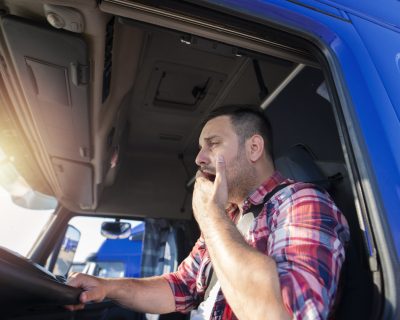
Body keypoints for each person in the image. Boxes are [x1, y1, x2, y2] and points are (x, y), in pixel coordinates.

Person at [67, 105, 350, 319]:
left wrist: (210, 215)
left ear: (253, 148)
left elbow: (286, 314)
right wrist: (106, 287)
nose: (199, 158)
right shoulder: (229, 218)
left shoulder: (302, 202)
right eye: (201, 147)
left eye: (212, 144)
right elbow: (181, 286)